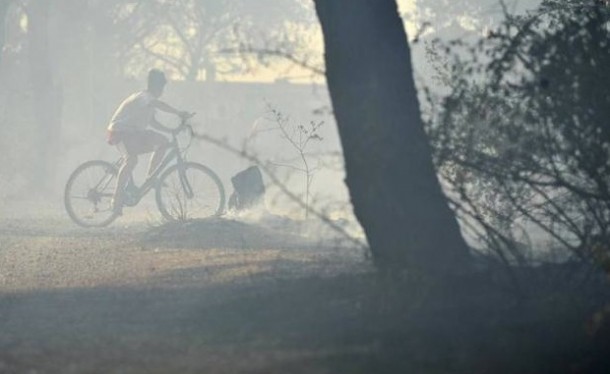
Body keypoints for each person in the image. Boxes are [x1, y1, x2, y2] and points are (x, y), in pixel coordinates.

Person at [107, 69, 189, 214]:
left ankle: (151, 178)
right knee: (131, 161)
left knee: (163, 142)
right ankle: (116, 198)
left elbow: (153, 123)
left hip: (133, 133)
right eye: (162, 88)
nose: (162, 91)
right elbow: (159, 104)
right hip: (120, 132)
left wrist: (170, 130)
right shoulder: (144, 97)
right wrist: (178, 112)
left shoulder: (148, 102)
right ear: (157, 87)